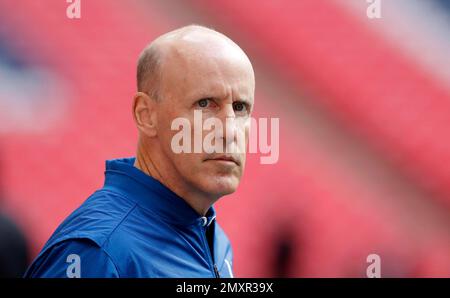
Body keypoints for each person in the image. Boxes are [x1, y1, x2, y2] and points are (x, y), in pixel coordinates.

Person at [24, 24, 255, 278]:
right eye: (204, 104)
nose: (229, 131)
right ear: (146, 114)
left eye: (240, 107)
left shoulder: (214, 241)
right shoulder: (99, 252)